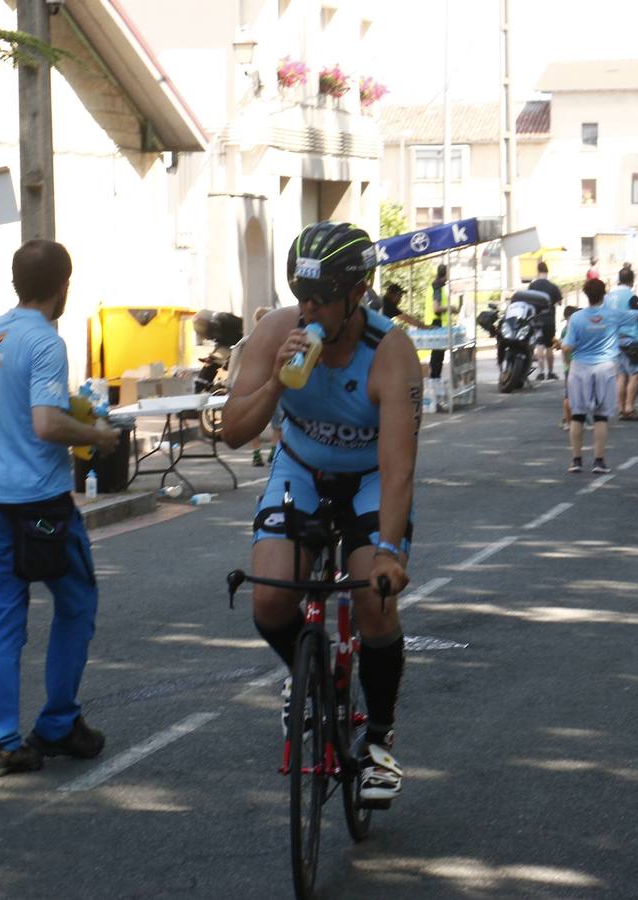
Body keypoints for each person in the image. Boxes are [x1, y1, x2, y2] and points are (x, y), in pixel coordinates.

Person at [221, 220, 421, 804]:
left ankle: (380, 744)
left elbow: (399, 467)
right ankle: (310, 682)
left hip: (367, 479)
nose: (307, 310)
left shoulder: (390, 353)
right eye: (300, 295)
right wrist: (277, 386)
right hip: (300, 470)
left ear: (357, 294)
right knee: (270, 597)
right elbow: (233, 431)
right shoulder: (276, 332)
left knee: (373, 601)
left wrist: (387, 552)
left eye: (321, 299)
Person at [0, 239, 120, 780]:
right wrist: (96, 435)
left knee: (2, 621)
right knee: (76, 602)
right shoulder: (46, 342)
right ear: (64, 286)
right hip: (39, 504)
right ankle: (57, 722)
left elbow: (12, 409)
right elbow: (46, 424)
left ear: (15, 283)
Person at [562, 278, 638, 473]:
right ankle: (599, 461)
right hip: (605, 368)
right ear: (604, 295)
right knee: (601, 417)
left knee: (577, 416)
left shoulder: (576, 318)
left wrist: (568, 363)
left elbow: (567, 347)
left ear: (586, 295)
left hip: (580, 369)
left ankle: (576, 460)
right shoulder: (614, 314)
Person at [230, 307, 283, 466]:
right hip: (274, 385)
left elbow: (235, 365)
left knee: (255, 422)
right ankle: (273, 453)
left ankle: (256, 454)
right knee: (278, 421)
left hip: (251, 386)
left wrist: (231, 384)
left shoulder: (246, 341)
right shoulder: (277, 341)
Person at [603, 265, 638, 421]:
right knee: (637, 373)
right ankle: (629, 407)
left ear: (618, 279)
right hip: (630, 339)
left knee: (621, 375)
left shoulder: (608, 297)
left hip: (612, 339)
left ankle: (621, 408)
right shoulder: (633, 297)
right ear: (632, 281)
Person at [528, 261, 564, 380]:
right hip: (549, 320)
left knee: (540, 345)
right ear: (547, 271)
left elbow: (528, 302)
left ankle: (541, 372)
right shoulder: (552, 286)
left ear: (538, 272)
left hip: (537, 320)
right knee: (549, 346)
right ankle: (551, 372)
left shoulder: (533, 286)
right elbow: (559, 302)